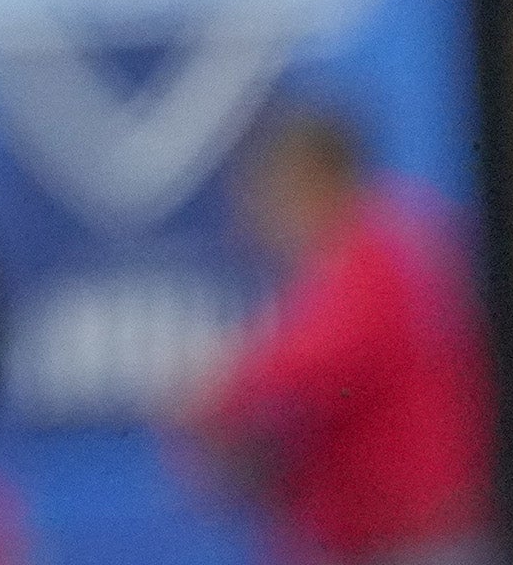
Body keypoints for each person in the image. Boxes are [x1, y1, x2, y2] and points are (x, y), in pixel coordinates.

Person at [176, 106, 492, 565]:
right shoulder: (373, 245)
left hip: (418, 540)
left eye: (271, 193)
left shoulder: (378, 251)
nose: (257, 216)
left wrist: (217, 392)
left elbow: (314, 361)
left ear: (312, 180)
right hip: (386, 537)